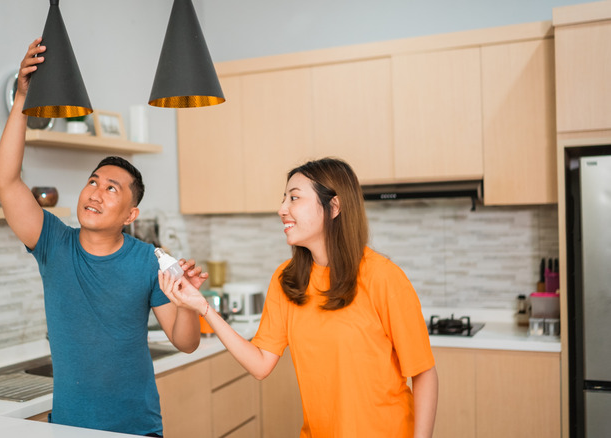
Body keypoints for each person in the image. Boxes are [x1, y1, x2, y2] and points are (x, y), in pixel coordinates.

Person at [0, 38, 205, 437]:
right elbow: (5, 180)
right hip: (70, 429)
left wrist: (189, 303)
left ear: (130, 214)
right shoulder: (52, 242)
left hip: (137, 428)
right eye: (93, 181)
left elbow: (185, 342)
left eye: (112, 188)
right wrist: (23, 97)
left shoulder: (149, 260)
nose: (95, 191)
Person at [160, 157, 439, 437]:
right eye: (284, 198)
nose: (282, 209)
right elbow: (260, 365)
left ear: (334, 207)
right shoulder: (287, 280)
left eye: (294, 198)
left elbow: (423, 373)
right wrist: (203, 307)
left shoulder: (383, 277)